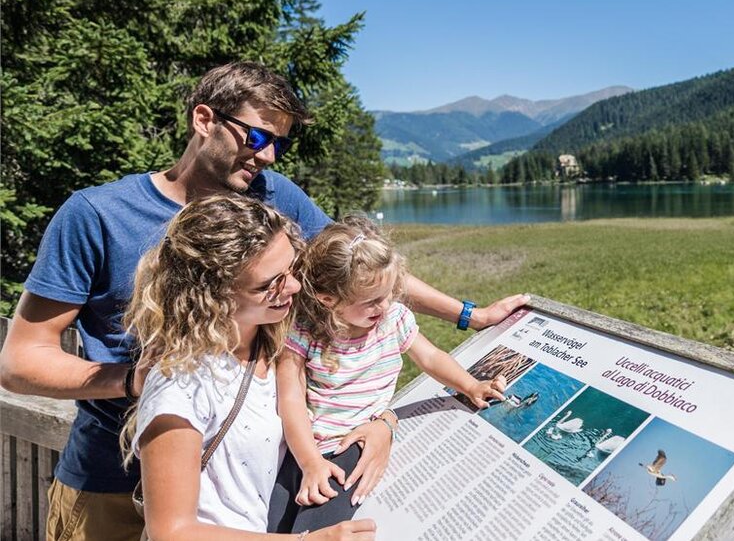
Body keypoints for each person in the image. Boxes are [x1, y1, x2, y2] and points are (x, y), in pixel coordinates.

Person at [0, 62, 528, 541]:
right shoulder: (96, 215)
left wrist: (469, 316)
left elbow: (362, 275)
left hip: (246, 489)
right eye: (257, 135)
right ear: (204, 118)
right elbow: (21, 363)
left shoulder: (274, 201)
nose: (269, 155)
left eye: (280, 142)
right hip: (111, 485)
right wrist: (141, 379)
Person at [121, 194, 375, 539]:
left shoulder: (276, 340)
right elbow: (172, 531)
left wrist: (383, 424)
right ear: (214, 295)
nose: (295, 286)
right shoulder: (180, 385)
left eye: (292, 268)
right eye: (269, 284)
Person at [268, 218, 508, 533]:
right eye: (371, 301)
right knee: (270, 529)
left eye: (389, 292)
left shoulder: (393, 319)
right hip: (306, 450)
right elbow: (291, 398)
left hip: (350, 449)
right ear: (329, 299)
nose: (384, 304)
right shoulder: (305, 331)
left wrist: (471, 385)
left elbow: (430, 356)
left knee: (316, 530)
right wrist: (310, 461)